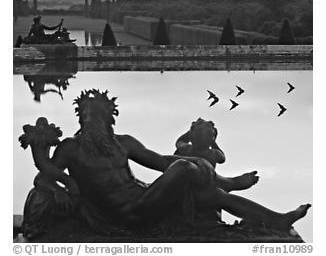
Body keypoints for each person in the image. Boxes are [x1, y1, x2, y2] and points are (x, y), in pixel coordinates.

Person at [22, 90, 311, 236]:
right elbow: (44, 176)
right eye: (87, 117)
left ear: (110, 119)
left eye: (98, 116)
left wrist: (197, 157)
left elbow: (160, 161)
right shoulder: (72, 148)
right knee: (186, 169)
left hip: (147, 196)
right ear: (81, 118)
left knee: (207, 193)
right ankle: (231, 183)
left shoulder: (123, 142)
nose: (92, 121)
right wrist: (61, 188)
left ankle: (278, 220)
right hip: (129, 213)